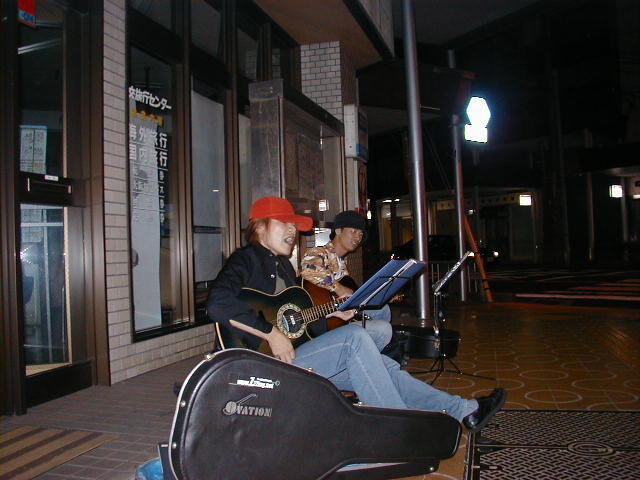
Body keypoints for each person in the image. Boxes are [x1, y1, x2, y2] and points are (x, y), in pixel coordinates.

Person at [206, 196, 505, 433]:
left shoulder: (285, 267)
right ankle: (398, 429)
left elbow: (299, 325)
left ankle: (465, 411)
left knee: (384, 366)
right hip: (260, 365)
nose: (292, 231)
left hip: (297, 358)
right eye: (284, 223)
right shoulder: (245, 259)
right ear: (259, 227)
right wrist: (271, 334)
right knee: (355, 339)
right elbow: (217, 303)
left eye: (294, 225)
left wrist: (335, 315)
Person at [300, 210, 392, 351]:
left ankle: (368, 353)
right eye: (353, 231)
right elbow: (308, 270)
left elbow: (347, 295)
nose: (358, 237)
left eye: (360, 234)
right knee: (383, 329)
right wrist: (337, 287)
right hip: (322, 320)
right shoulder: (319, 252)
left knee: (383, 309)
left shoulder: (341, 263)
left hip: (341, 314)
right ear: (338, 231)